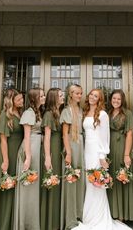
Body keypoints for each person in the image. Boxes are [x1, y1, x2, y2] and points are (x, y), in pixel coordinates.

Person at [73, 89, 132, 230]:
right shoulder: (85, 111)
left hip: (96, 152)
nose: (93, 97)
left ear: (100, 99)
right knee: (88, 182)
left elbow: (105, 136)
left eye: (96, 96)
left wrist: (102, 156)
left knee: (96, 183)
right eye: (91, 95)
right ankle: (87, 214)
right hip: (86, 151)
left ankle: (97, 217)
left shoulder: (103, 114)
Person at [0, 89, 24, 230]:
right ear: (11, 100)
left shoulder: (19, 112)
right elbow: (3, 140)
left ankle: (10, 222)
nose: (21, 101)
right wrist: (5, 161)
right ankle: (0, 224)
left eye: (22, 99)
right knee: (6, 188)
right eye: (19, 100)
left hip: (17, 154)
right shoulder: (5, 115)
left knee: (13, 189)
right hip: (8, 154)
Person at [13, 88, 45, 230]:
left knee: (34, 187)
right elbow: (26, 136)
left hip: (37, 149)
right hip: (30, 149)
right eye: (42, 96)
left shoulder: (38, 112)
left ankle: (32, 221)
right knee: (28, 187)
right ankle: (25, 224)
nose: (44, 98)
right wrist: (28, 157)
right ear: (35, 98)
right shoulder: (28, 113)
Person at [107, 89, 133, 222]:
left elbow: (130, 134)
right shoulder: (108, 113)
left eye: (119, 99)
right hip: (109, 147)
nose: (116, 101)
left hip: (122, 146)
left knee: (121, 177)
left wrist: (126, 154)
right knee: (111, 178)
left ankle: (123, 213)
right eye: (114, 98)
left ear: (122, 100)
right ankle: (112, 211)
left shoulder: (127, 113)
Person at [60, 84, 85, 230]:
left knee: (79, 179)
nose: (79, 96)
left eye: (81, 93)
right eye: (77, 93)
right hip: (71, 144)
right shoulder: (67, 111)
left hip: (80, 144)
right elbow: (64, 133)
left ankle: (79, 212)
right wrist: (68, 152)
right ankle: (70, 217)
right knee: (71, 179)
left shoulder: (80, 109)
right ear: (70, 94)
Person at [41, 88, 64, 230]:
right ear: (54, 98)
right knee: (53, 183)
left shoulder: (59, 112)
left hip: (59, 148)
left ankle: (57, 219)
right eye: (61, 95)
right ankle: (50, 222)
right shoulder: (49, 114)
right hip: (53, 150)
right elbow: (47, 138)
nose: (63, 97)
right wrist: (48, 157)